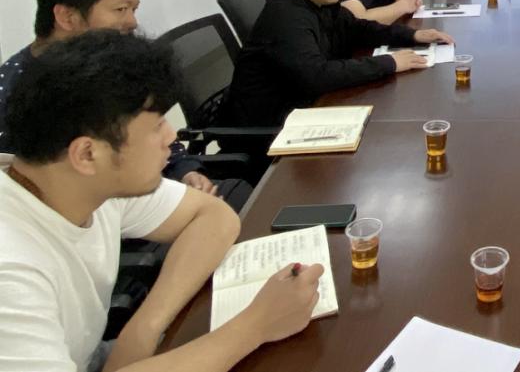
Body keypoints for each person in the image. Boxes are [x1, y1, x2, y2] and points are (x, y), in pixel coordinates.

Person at [0, 31, 324, 372]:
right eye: (156, 126)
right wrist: (255, 326)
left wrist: (143, 329)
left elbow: (214, 216)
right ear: (87, 154)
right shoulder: (12, 268)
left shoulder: (83, 183)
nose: (171, 137)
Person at [0, 0, 216, 196]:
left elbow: (153, 132)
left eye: (133, 10)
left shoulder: (110, 66)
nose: (132, 22)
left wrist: (186, 171)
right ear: (67, 17)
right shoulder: (14, 95)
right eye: (121, 9)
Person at [222, 0, 453, 127]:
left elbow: (356, 28)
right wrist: (389, 63)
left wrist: (413, 35)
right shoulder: (285, 16)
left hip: (306, 107)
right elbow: (317, 75)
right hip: (273, 131)